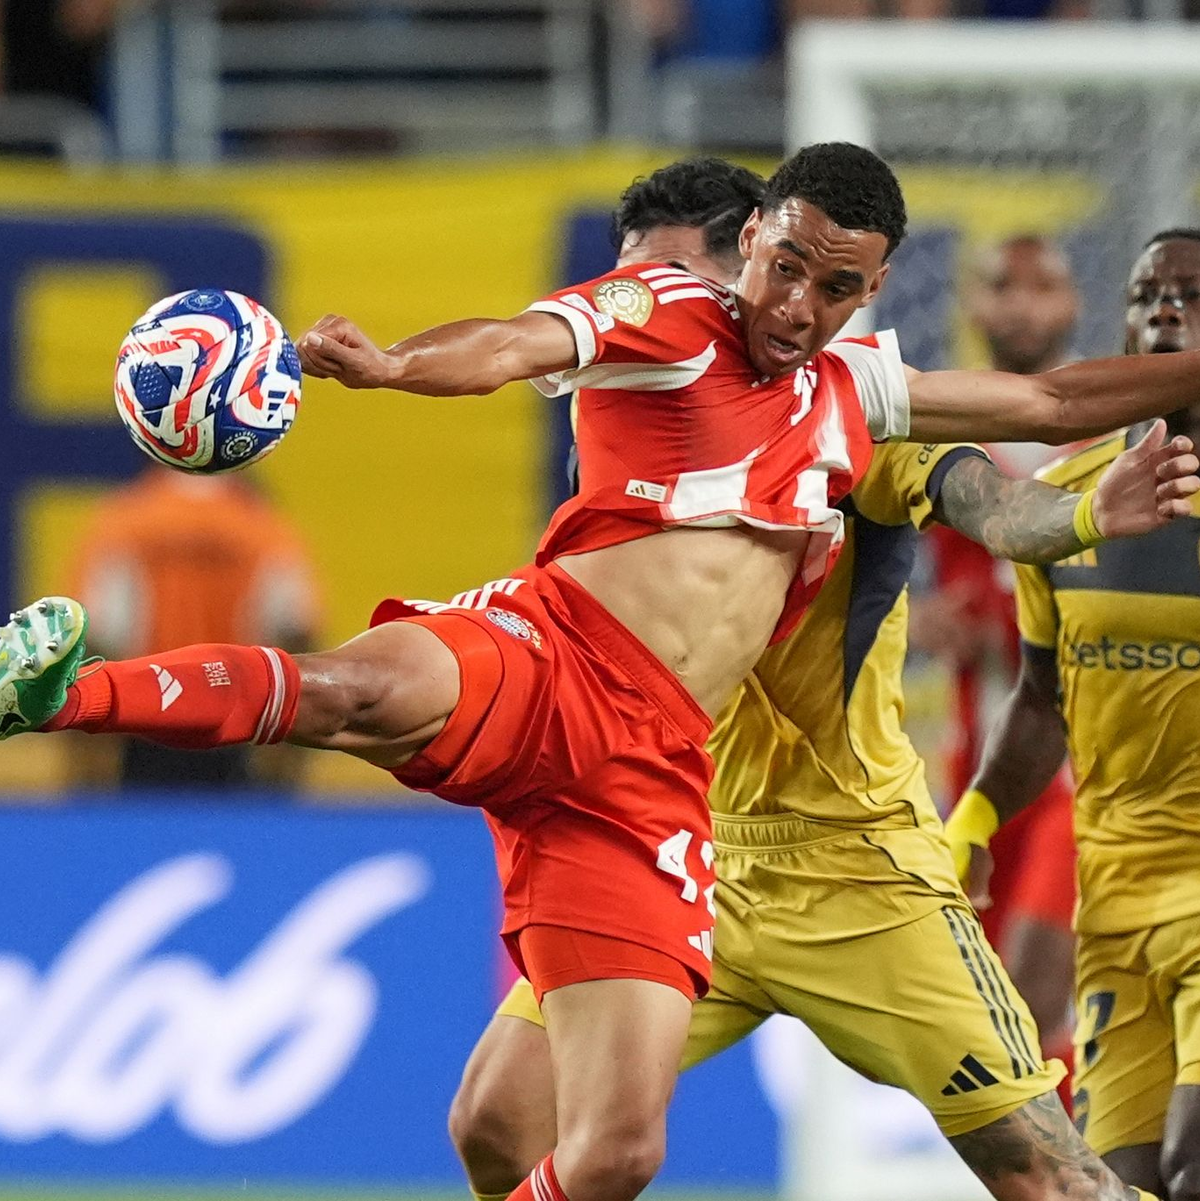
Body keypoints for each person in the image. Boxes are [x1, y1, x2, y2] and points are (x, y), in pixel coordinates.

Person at [4, 143, 1200, 1201]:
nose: (793, 304)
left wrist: (1093, 501)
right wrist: (394, 366)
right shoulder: (660, 319)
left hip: (742, 822)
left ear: (867, 289)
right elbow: (509, 343)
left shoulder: (856, 400)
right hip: (585, 694)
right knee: (363, 715)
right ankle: (59, 692)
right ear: (753, 246)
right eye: (782, 268)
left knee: (644, 1154)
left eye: (832, 287)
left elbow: (1039, 422)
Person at [447, 164, 1198, 1201]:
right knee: (496, 1121)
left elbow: (996, 500)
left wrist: (1078, 516)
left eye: (668, 281)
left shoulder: (859, 413)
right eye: (625, 283)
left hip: (858, 868)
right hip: (685, 850)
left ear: (745, 262)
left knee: (1050, 1179)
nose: (635, 309)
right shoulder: (625, 432)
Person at [950, 228, 1200, 1201]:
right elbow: (1041, 694)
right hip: (1116, 895)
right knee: (1113, 1183)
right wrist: (973, 820)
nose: (1165, 307)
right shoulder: (1060, 498)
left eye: (1190, 293)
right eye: (1147, 293)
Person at [925, 232, 1082, 1068]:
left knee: (1033, 991)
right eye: (1002, 286)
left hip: (1082, 768)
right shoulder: (936, 428)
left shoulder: (1116, 438)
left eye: (1041, 285)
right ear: (974, 305)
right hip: (983, 771)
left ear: (1074, 304)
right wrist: (915, 620)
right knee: (991, 1023)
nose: (1021, 305)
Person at [70, 467, 320, 789]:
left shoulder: (128, 518)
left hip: (145, 723)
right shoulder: (260, 523)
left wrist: (88, 751)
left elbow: (100, 633)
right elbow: (296, 626)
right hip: (237, 725)